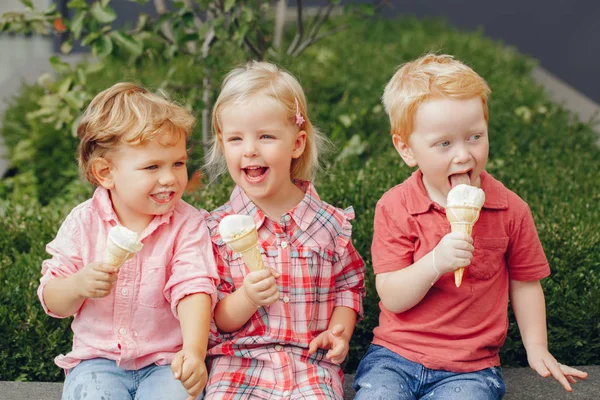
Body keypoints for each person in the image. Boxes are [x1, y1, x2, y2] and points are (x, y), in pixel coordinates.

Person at [352, 54, 588, 400]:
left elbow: (525, 284)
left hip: (471, 367)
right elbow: (392, 295)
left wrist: (537, 347)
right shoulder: (396, 206)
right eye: (444, 143)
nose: (463, 155)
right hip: (395, 356)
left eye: (474, 137)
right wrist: (436, 261)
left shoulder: (510, 209)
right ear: (406, 148)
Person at [37, 82, 219, 400]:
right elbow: (53, 300)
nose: (170, 177)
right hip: (96, 363)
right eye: (152, 166)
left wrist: (193, 351)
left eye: (177, 163)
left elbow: (193, 288)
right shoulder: (84, 223)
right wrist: (78, 285)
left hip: (167, 363)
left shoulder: (187, 224)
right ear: (106, 172)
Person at [203, 61, 365, 399]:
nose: (249, 149)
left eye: (265, 136)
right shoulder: (216, 231)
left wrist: (339, 332)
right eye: (235, 138)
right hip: (239, 363)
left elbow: (349, 286)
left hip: (312, 363)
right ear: (223, 144)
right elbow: (216, 319)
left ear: (297, 143)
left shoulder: (329, 224)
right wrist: (246, 298)